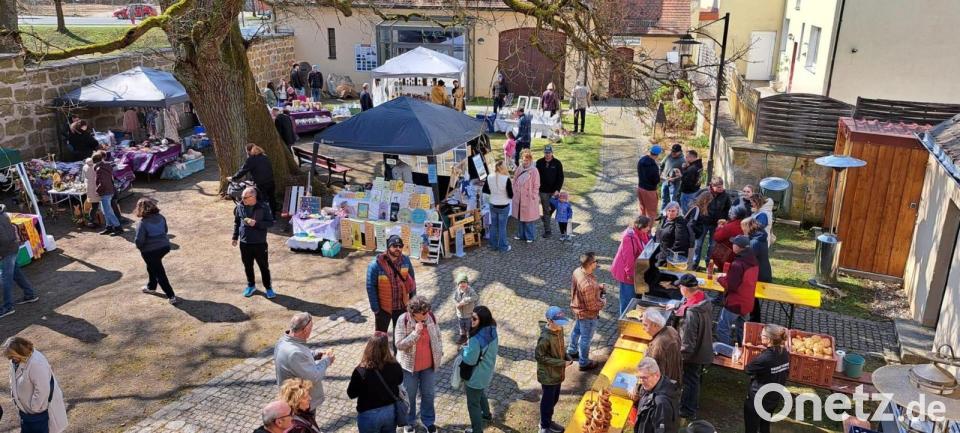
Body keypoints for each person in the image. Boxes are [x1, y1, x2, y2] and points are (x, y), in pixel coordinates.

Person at [395, 296, 442, 433]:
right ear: (414, 313)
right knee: (409, 396)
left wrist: (440, 351)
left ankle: (428, 421)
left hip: (429, 366)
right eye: (424, 313)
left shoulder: (431, 317)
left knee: (429, 394)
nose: (427, 314)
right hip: (409, 368)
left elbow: (438, 336)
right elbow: (399, 344)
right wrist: (416, 333)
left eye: (428, 311)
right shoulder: (403, 320)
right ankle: (409, 422)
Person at [3, 337, 68, 433]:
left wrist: (34, 407)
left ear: (20, 351)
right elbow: (14, 378)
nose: (11, 359)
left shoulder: (36, 363)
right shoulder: (16, 360)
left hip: (37, 415)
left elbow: (42, 389)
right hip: (26, 413)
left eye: (12, 356)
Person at [672, 273, 713, 419]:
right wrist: (677, 306)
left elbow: (688, 341)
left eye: (680, 287)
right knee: (695, 378)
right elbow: (686, 303)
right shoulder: (703, 299)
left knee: (690, 381)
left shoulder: (691, 314)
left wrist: (680, 358)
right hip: (704, 345)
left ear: (684, 289)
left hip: (694, 354)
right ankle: (692, 405)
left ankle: (688, 410)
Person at [275, 312, 335, 409]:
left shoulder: (283, 341)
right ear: (306, 330)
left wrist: (316, 354)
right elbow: (314, 376)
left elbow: (302, 354)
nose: (311, 330)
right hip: (301, 402)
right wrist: (327, 360)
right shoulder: (294, 353)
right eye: (311, 328)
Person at [347, 332, 404, 433]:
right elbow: (400, 380)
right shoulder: (395, 365)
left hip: (369, 415)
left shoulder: (361, 371)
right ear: (386, 347)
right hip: (390, 412)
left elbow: (351, 394)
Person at [744, 324, 790, 433]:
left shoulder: (765, 358)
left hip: (758, 398)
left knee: (751, 427)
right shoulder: (784, 353)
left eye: (762, 334)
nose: (760, 336)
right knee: (765, 424)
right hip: (774, 396)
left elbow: (748, 369)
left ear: (769, 339)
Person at [366, 235, 417, 333]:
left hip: (401, 306)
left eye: (400, 246)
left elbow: (412, 282)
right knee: (381, 336)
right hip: (383, 308)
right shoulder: (376, 264)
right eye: (394, 246)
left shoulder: (406, 260)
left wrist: (412, 302)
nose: (398, 248)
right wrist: (376, 309)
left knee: (400, 335)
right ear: (388, 247)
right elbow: (370, 287)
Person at [232, 186, 276, 298]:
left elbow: (270, 223)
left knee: (263, 267)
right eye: (242, 197)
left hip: (259, 243)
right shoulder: (240, 206)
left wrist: (256, 224)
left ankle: (268, 288)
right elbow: (237, 222)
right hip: (244, 243)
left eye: (245, 197)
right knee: (247, 266)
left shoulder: (263, 207)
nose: (242, 200)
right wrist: (235, 237)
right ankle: (251, 285)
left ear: (253, 197)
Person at [461, 305, 499, 433]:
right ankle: (486, 415)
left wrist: (463, 350)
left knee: (473, 404)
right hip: (486, 372)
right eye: (471, 317)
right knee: (480, 393)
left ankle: (477, 430)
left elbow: (469, 360)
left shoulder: (476, 339)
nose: (471, 320)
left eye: (474, 319)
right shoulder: (492, 329)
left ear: (482, 320)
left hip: (475, 376)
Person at [716, 235, 759, 345]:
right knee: (742, 329)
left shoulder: (738, 264)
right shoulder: (753, 260)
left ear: (739, 247)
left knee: (722, 328)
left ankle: (726, 351)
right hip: (747, 302)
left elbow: (730, 286)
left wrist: (719, 279)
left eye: (734, 243)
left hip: (735, 303)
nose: (732, 245)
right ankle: (743, 348)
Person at [135, 198, 179, 305]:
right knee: (151, 266)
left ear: (140, 209)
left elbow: (139, 241)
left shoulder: (142, 223)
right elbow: (165, 230)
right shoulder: (161, 217)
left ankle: (171, 295)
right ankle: (151, 287)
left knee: (159, 272)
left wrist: (140, 247)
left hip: (150, 251)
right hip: (164, 247)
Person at [567, 252, 605, 371]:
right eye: (595, 261)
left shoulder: (577, 271)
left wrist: (598, 287)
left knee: (576, 330)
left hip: (578, 309)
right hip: (587, 315)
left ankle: (572, 350)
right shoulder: (587, 285)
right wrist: (603, 301)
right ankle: (584, 362)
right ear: (590, 264)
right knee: (586, 338)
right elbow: (592, 306)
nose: (596, 263)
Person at [536, 306, 571, 433]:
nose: (561, 326)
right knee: (547, 401)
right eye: (558, 323)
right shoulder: (545, 338)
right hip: (548, 376)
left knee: (554, 399)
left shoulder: (559, 330)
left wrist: (566, 356)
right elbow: (539, 357)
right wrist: (562, 363)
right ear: (549, 321)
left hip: (557, 374)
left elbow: (560, 347)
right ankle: (544, 427)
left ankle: (548, 421)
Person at [0, 206, 38, 319]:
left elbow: (4, 238)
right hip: (12, 248)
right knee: (16, 273)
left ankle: (8, 307)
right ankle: (29, 294)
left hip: (7, 250)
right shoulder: (4, 214)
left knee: (6, 278)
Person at [611, 215, 652, 315]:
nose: (649, 228)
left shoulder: (641, 232)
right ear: (641, 227)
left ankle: (632, 314)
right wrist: (630, 274)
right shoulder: (629, 238)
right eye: (647, 226)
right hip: (626, 272)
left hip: (636, 269)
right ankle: (624, 317)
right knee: (627, 299)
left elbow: (646, 244)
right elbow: (628, 258)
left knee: (634, 296)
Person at [691, 177, 733, 270]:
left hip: (716, 224)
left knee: (712, 245)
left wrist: (724, 219)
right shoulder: (704, 192)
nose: (721, 189)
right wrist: (699, 216)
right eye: (718, 187)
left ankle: (708, 264)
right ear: (712, 186)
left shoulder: (725, 195)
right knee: (698, 244)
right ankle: (695, 263)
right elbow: (694, 204)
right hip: (703, 222)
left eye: (722, 186)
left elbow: (728, 209)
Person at [630, 357, 679, 433]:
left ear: (656, 375)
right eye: (639, 377)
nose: (641, 381)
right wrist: (636, 401)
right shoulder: (652, 387)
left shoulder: (661, 403)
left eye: (644, 378)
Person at [230, 143, 277, 214]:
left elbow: (243, 170)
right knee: (271, 198)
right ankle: (273, 214)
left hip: (261, 184)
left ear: (248, 151)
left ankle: (266, 215)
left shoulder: (251, 159)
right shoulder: (265, 156)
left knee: (263, 200)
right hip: (271, 181)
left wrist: (233, 177)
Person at [641, 308, 682, 383]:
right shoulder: (671, 330)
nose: (643, 328)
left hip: (664, 385)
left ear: (655, 325)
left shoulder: (658, 345)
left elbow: (651, 372)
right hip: (675, 377)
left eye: (645, 325)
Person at [482, 160, 513, 252]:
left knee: (494, 226)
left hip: (493, 204)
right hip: (503, 205)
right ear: (503, 168)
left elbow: (485, 190)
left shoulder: (489, 176)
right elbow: (510, 195)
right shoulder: (506, 178)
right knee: (502, 227)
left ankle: (493, 245)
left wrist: (494, 192)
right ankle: (503, 247)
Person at [512, 150, 541, 243]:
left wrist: (533, 195)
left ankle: (530, 236)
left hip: (529, 198)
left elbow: (537, 185)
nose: (525, 162)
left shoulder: (534, 171)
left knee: (528, 219)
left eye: (527, 160)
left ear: (530, 160)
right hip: (519, 197)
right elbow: (514, 179)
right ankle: (520, 235)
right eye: (524, 160)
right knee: (520, 217)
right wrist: (514, 190)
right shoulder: (519, 168)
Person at [536, 145, 564, 239]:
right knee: (546, 210)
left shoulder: (557, 163)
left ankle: (545, 218)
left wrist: (557, 190)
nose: (547, 154)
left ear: (552, 153)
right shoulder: (539, 162)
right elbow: (536, 177)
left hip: (554, 192)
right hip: (543, 191)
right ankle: (547, 230)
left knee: (553, 207)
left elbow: (560, 178)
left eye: (549, 153)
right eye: (546, 153)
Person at [746, 219, 771, 323]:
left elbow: (748, 259)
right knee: (753, 297)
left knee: (752, 297)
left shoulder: (754, 242)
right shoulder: (761, 238)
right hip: (764, 272)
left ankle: (754, 320)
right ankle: (754, 318)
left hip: (758, 275)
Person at [711, 205, 751, 270]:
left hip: (727, 257)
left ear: (735, 215)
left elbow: (717, 237)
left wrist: (719, 227)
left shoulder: (730, 226)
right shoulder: (746, 225)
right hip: (742, 257)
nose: (730, 213)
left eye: (732, 212)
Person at [93, 151, 122, 236]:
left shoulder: (100, 169)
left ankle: (118, 227)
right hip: (109, 190)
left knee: (108, 211)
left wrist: (97, 190)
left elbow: (103, 182)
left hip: (105, 191)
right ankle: (109, 227)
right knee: (105, 211)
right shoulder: (107, 166)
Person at [636, 145, 662, 221]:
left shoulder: (641, 160)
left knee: (642, 209)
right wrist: (660, 179)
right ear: (658, 154)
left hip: (640, 188)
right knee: (651, 212)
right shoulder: (653, 166)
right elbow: (656, 180)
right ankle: (649, 227)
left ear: (650, 151)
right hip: (649, 191)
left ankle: (641, 225)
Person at [454, 272, 479, 345]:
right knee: (461, 327)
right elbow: (454, 299)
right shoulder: (457, 291)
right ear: (458, 284)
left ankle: (469, 339)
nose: (462, 284)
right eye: (460, 283)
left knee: (469, 327)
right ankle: (463, 337)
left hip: (468, 314)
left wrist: (466, 300)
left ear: (467, 283)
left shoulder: (470, 290)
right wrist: (457, 304)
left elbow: (475, 297)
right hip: (460, 314)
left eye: (464, 282)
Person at [660, 144, 685, 211]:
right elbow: (661, 165)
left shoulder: (683, 161)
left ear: (680, 152)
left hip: (675, 184)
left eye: (675, 152)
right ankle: (663, 213)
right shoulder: (668, 156)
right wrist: (659, 174)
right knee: (664, 198)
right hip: (665, 181)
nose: (673, 153)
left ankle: (674, 214)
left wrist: (674, 178)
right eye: (672, 151)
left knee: (673, 201)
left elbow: (683, 175)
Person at [82, 157, 101, 228]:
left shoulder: (84, 167)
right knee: (95, 206)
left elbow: (83, 177)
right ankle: (91, 221)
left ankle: (92, 221)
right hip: (95, 188)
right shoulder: (95, 167)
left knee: (94, 205)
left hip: (89, 187)